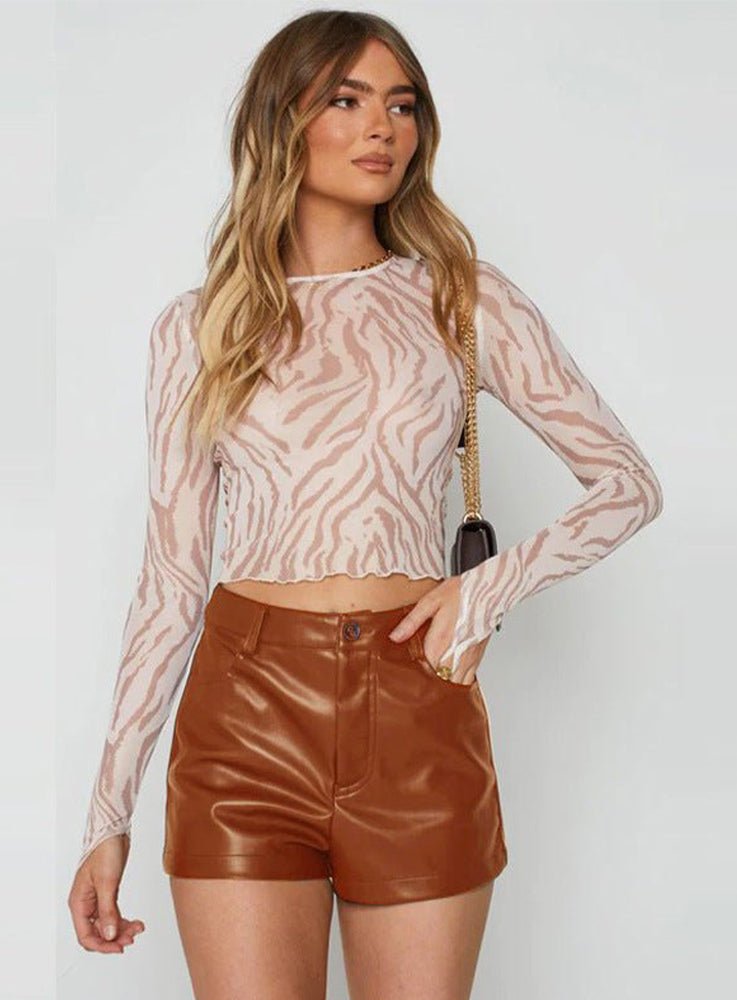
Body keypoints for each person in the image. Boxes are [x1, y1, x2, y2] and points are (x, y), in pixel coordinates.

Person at [67, 9, 664, 998]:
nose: (382, 126)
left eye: (402, 104)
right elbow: (171, 582)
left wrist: (485, 591)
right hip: (243, 718)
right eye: (345, 100)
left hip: (416, 705)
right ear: (282, 123)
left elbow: (628, 484)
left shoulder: (463, 299)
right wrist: (107, 812)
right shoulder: (200, 328)